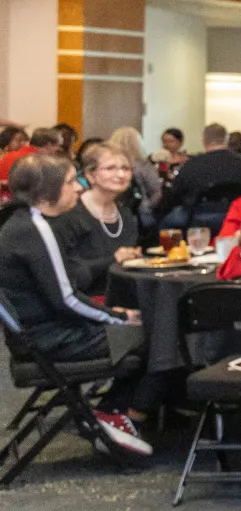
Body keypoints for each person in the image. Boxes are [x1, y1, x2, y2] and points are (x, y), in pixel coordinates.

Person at [0, 154, 157, 455]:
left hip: (38, 334)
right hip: (53, 340)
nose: (80, 188)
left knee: (146, 330)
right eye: (72, 182)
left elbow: (63, 292)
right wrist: (117, 318)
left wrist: (114, 314)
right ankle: (115, 415)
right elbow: (67, 299)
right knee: (157, 337)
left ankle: (112, 412)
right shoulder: (37, 229)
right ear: (47, 191)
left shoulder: (18, 221)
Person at [58, 144, 143, 296]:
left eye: (126, 168)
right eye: (111, 168)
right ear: (90, 175)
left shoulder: (125, 214)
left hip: (121, 295)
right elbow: (72, 274)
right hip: (85, 298)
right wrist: (114, 259)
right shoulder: (72, 213)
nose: (121, 175)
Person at [158, 124, 241, 231]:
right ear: (226, 140)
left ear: (204, 140)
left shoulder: (192, 165)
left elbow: (176, 192)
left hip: (198, 216)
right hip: (237, 214)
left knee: (164, 221)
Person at [106, 128, 161, 218]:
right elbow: (156, 191)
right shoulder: (143, 165)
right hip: (138, 212)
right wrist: (148, 207)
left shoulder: (107, 165)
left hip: (111, 209)